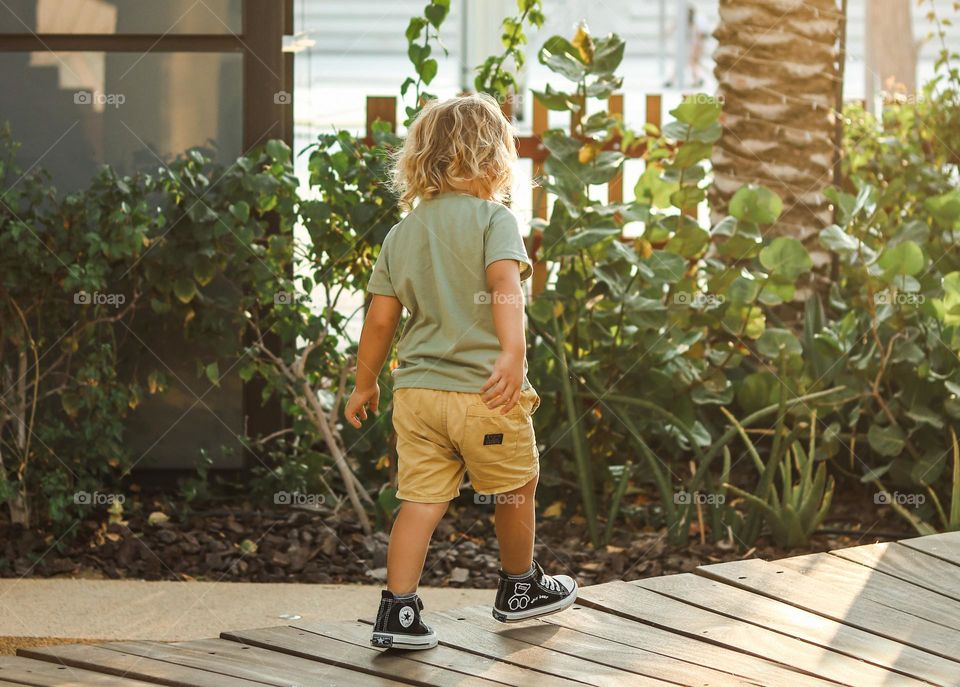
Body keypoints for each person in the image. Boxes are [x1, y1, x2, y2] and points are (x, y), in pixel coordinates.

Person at [344, 93, 578, 651]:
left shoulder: (402, 233)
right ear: (496, 159)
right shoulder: (493, 219)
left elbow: (379, 321)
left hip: (417, 395)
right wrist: (512, 353)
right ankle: (520, 587)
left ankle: (396, 611)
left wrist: (364, 381)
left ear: (420, 160)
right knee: (514, 485)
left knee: (420, 501)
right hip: (484, 394)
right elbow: (504, 286)